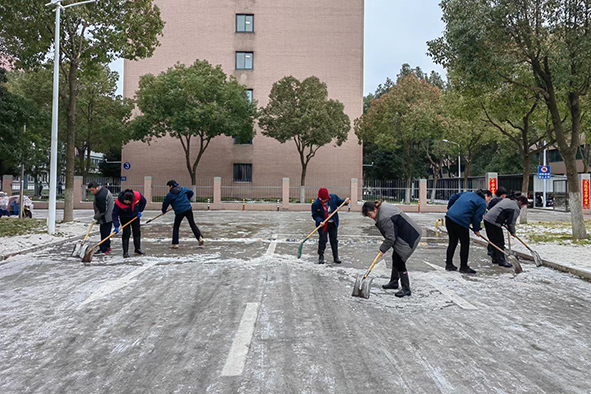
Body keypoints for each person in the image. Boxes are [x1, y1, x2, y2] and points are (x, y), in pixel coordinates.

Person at [362, 201, 422, 297]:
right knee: (396, 256)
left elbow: (390, 237)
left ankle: (406, 289)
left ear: (375, 209)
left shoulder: (384, 217)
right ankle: (394, 282)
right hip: (405, 234)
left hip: (410, 237)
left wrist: (382, 249)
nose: (371, 217)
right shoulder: (382, 208)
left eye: (370, 214)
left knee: (400, 260)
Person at [445, 189, 493, 274]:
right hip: (460, 221)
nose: (488, 201)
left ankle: (449, 264)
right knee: (465, 244)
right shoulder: (482, 203)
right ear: (486, 195)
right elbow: (477, 217)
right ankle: (463, 267)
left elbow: (453, 197)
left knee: (453, 242)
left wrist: (450, 209)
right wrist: (476, 229)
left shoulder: (467, 193)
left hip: (449, 218)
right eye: (489, 199)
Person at [484, 196, 528, 268]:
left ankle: (495, 258)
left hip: (487, 219)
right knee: (499, 242)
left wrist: (504, 222)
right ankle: (501, 261)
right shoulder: (516, 208)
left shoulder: (507, 200)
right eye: (523, 205)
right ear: (520, 203)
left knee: (493, 241)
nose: (523, 207)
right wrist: (512, 231)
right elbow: (511, 223)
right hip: (493, 222)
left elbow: (502, 211)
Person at [311, 188, 349, 264]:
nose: (324, 201)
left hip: (333, 223)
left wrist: (345, 201)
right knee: (323, 240)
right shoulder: (315, 204)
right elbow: (315, 215)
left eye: (325, 199)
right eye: (322, 200)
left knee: (334, 240)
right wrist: (320, 221)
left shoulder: (333, 198)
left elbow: (340, 202)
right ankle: (321, 256)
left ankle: (336, 257)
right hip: (323, 225)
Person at [162, 180, 204, 248]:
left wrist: (163, 211)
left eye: (169, 186)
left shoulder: (170, 195)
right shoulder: (183, 189)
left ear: (171, 186)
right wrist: (187, 199)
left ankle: (175, 243)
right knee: (192, 224)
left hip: (179, 211)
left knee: (176, 227)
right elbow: (191, 192)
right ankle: (199, 237)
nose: (169, 188)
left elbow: (165, 203)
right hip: (188, 208)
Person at [112, 189, 146, 258]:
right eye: (127, 202)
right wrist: (116, 226)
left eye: (130, 202)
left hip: (135, 217)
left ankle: (137, 249)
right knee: (126, 233)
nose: (128, 203)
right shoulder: (118, 202)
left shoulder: (137, 195)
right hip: (124, 217)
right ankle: (125, 252)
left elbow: (144, 202)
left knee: (137, 232)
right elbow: (114, 214)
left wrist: (139, 211)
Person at [88, 181, 114, 256]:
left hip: (106, 217)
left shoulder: (101, 195)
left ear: (97, 187)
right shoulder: (103, 190)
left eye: (93, 190)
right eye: (90, 191)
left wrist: (96, 217)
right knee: (106, 233)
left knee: (104, 234)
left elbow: (102, 210)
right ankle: (107, 247)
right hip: (109, 216)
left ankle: (103, 249)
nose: (92, 192)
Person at [486, 187, 507, 258]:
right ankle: (492, 252)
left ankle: (493, 253)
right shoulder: (495, 200)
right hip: (492, 221)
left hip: (494, 221)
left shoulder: (498, 200)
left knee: (493, 238)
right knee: (495, 239)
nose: (504, 196)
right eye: (503, 195)